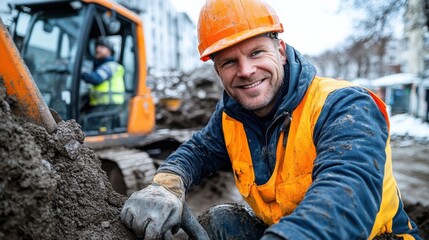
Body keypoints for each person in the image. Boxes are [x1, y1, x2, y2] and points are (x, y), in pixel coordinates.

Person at [120, 0, 421, 239]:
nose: (246, 70)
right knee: (221, 223)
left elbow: (346, 195)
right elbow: (198, 150)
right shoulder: (231, 116)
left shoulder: (343, 106)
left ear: (280, 50)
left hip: (372, 237)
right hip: (283, 230)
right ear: (217, 71)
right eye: (229, 62)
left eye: (256, 52)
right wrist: (165, 185)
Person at [81, 36, 125, 130]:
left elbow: (96, 79)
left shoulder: (110, 66)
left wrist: (81, 71)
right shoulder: (101, 66)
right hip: (102, 105)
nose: (97, 49)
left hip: (108, 107)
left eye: (102, 47)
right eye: (97, 46)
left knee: (88, 127)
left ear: (110, 51)